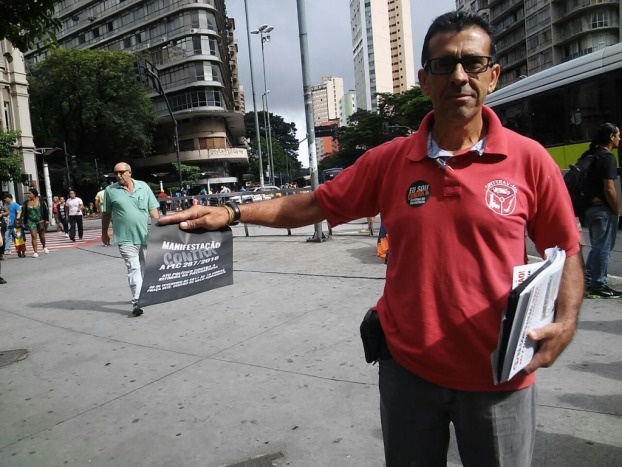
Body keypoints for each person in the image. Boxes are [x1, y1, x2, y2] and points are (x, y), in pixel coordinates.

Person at [161, 11, 584, 466]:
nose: (460, 76)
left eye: (473, 63)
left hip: (499, 376)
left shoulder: (530, 160)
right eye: (444, 64)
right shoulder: (389, 161)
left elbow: (566, 250)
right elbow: (312, 205)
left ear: (493, 75)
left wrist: (565, 323)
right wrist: (230, 211)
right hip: (408, 373)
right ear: (425, 80)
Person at [101, 162, 160, 316]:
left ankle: (143, 293)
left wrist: (158, 228)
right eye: (116, 173)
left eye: (121, 172)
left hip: (144, 236)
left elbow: (153, 209)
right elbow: (106, 213)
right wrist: (104, 232)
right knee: (133, 268)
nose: (118, 175)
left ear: (129, 172)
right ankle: (137, 302)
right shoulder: (110, 191)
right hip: (125, 238)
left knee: (146, 268)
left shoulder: (143, 187)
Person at [582, 123, 621, 298]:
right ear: (611, 137)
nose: (619, 138)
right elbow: (609, 187)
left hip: (589, 208)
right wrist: (616, 209)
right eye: (618, 135)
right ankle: (599, 284)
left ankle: (589, 281)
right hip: (603, 209)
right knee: (603, 247)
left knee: (597, 246)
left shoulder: (590, 155)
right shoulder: (608, 157)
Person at [22, 187, 49, 258]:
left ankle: (44, 246)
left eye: (30, 193)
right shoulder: (26, 203)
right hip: (31, 221)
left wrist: (46, 220)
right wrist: (25, 222)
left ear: (34, 194)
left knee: (42, 236)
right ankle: (35, 252)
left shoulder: (41, 201)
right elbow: (25, 213)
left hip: (40, 221)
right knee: (33, 236)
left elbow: (45, 211)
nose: (28, 195)